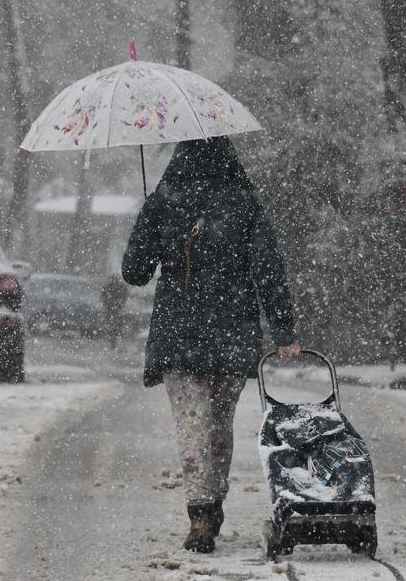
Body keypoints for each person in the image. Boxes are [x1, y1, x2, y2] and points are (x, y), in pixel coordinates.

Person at [121, 137, 300, 554]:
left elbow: (134, 273)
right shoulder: (245, 204)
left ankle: (200, 514)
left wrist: (149, 221)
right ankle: (213, 501)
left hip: (178, 333)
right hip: (232, 331)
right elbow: (268, 269)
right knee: (219, 424)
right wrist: (283, 328)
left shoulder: (163, 201)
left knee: (192, 425)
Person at [99, 273, 129, 349]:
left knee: (115, 326)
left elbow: (124, 297)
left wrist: (118, 305)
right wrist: (109, 305)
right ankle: (113, 341)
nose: (114, 282)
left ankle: (114, 341)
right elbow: (103, 298)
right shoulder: (108, 288)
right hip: (111, 309)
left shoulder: (120, 288)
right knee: (113, 326)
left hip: (115, 309)